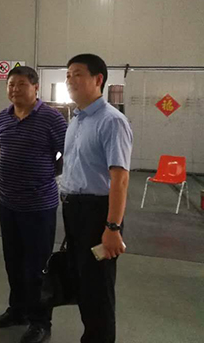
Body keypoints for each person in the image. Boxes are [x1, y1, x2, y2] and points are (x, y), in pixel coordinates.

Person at [0, 66, 67, 343]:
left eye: (21, 84)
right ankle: (17, 310)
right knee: (13, 262)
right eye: (11, 85)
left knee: (37, 268)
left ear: (36, 87)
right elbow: (4, 148)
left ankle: (40, 322)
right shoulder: (3, 117)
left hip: (39, 206)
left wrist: (47, 174)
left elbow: (67, 153)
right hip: (8, 203)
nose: (15, 89)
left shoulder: (51, 118)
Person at [60, 54, 132, 343]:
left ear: (98, 79)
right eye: (68, 75)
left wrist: (112, 227)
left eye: (77, 74)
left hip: (98, 213)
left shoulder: (112, 121)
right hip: (74, 210)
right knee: (83, 282)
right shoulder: (77, 119)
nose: (70, 80)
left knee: (98, 288)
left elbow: (120, 179)